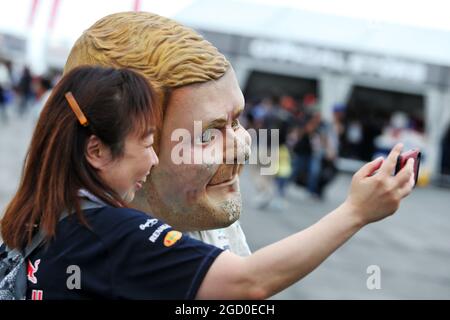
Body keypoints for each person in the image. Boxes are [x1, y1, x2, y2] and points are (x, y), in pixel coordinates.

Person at [0, 65, 416, 300]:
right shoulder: (112, 232)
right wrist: (356, 211)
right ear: (96, 150)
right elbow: (249, 283)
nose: (156, 156)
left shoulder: (33, 214)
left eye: (237, 123)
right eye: (148, 142)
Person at [64, 12, 251, 256]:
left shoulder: (211, 230)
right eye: (206, 136)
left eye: (235, 122)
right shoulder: (82, 259)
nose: (240, 150)